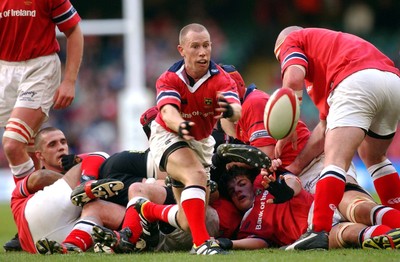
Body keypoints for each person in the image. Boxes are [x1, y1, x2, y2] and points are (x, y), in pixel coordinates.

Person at [273, 26, 400, 250]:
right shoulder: (328, 57)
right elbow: (324, 128)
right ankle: (397, 221)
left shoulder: (293, 39)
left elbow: (293, 78)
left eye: (280, 57)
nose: (281, 62)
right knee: (374, 156)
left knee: (335, 160)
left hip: (356, 81)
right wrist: (294, 167)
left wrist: (290, 122)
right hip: (391, 81)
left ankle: (318, 230)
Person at [140, 23, 241, 255]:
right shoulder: (169, 79)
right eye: (195, 47)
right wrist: (180, 125)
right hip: (169, 134)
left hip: (201, 143)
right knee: (195, 175)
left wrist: (230, 110)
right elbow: (167, 112)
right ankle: (202, 244)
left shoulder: (222, 79)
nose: (202, 52)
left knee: (189, 220)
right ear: (181, 50)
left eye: (206, 46)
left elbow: (235, 109)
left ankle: (148, 211)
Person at [215, 165, 400, 250]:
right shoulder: (246, 225)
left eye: (241, 183)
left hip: (322, 206)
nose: (237, 190)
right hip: (312, 232)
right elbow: (261, 243)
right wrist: (230, 244)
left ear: (250, 182)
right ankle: (387, 238)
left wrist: (287, 189)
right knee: (348, 234)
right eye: (232, 191)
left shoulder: (263, 183)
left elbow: (291, 179)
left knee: (359, 208)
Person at [0, 0, 83, 184]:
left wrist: (69, 81)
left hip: (39, 68)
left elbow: (74, 31)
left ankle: (23, 206)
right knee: (27, 147)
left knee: (12, 143)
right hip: (4, 68)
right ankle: (40, 205)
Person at [10, 127, 122, 253]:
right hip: (33, 218)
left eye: (63, 142)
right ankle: (86, 185)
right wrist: (80, 171)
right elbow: (40, 177)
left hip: (48, 242)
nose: (61, 147)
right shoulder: (36, 177)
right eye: (52, 145)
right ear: (40, 155)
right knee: (99, 158)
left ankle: (130, 236)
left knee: (97, 209)